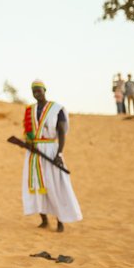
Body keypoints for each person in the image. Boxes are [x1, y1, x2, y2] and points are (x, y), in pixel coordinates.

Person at [22, 80, 82, 232]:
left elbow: (61, 132)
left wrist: (59, 153)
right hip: (34, 152)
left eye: (39, 90)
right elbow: (28, 131)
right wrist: (28, 143)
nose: (36, 93)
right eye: (33, 90)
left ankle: (60, 221)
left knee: (55, 184)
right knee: (37, 185)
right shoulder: (30, 109)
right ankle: (44, 220)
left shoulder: (57, 109)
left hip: (51, 149)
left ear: (45, 90)